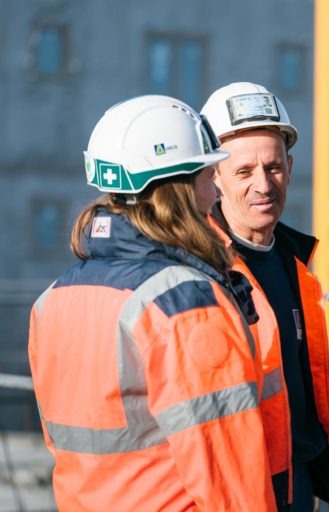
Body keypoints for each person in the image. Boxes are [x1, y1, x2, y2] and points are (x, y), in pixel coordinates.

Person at [28, 95, 276, 511]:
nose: (214, 188)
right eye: (204, 173)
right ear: (178, 187)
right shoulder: (183, 302)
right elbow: (228, 476)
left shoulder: (53, 299)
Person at [201, 82, 329, 512]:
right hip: (234, 490)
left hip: (297, 482)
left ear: (291, 165)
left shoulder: (296, 263)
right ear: (214, 178)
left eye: (274, 167)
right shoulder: (199, 271)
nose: (263, 185)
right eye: (244, 172)